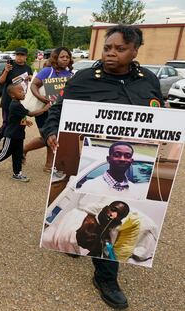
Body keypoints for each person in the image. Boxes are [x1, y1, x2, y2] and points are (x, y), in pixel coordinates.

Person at [41, 24, 164, 309]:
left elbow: (159, 113)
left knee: (114, 220)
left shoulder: (148, 80)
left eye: (120, 49)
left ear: (135, 51)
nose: (111, 54)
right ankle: (94, 262)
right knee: (95, 214)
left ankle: (105, 276)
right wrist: (50, 132)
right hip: (93, 161)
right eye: (108, 47)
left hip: (134, 165)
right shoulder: (84, 79)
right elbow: (59, 110)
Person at [23, 47, 73, 173]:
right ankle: (24, 150)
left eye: (67, 57)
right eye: (62, 57)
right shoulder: (47, 71)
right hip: (44, 110)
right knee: (47, 137)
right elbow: (34, 85)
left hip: (59, 111)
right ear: (56, 58)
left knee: (53, 137)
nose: (65, 59)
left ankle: (48, 165)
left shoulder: (70, 74)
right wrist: (43, 99)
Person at [0, 83, 48, 182]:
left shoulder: (18, 104)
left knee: (18, 155)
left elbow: (17, 117)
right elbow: (30, 114)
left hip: (19, 135)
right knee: (5, 152)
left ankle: (17, 173)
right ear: (13, 95)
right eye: (20, 91)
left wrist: (25, 122)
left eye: (23, 90)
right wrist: (44, 109)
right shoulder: (15, 105)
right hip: (11, 135)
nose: (23, 93)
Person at [80, 142, 147, 200]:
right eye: (117, 155)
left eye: (127, 156)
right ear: (108, 159)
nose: (122, 159)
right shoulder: (90, 186)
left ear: (131, 161)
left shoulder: (135, 191)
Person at [0, 47, 33, 144]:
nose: (19, 57)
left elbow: (31, 82)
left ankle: (17, 140)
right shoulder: (10, 66)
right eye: (17, 55)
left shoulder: (28, 68)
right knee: (7, 122)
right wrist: (6, 71)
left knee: (21, 122)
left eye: (22, 55)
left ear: (26, 57)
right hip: (8, 100)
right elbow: (1, 81)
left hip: (21, 101)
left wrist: (30, 78)